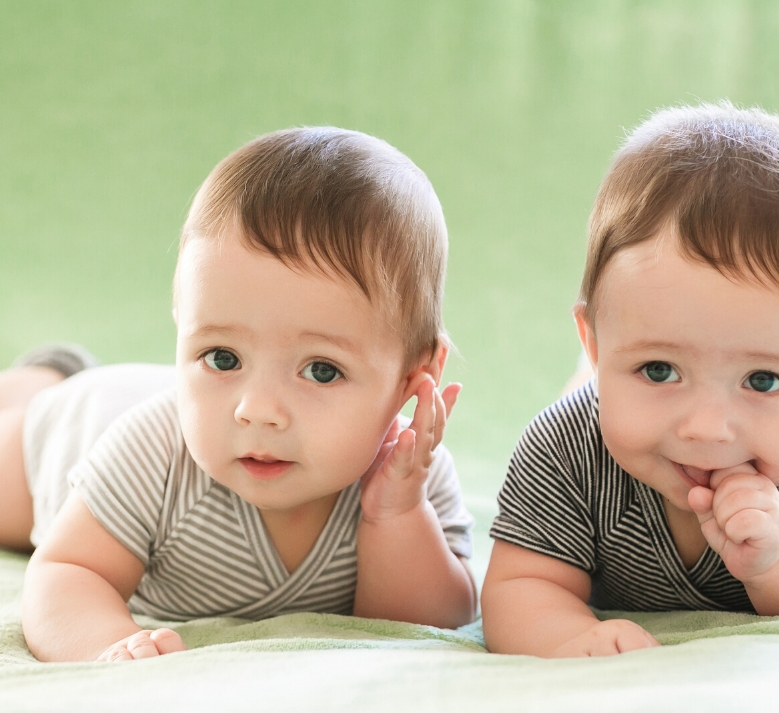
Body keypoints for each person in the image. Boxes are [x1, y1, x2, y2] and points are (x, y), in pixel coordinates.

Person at [3, 127, 477, 662]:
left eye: (321, 371)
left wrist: (395, 515)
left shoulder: (408, 473)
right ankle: (42, 379)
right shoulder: (152, 455)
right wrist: (109, 645)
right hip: (73, 428)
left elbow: (433, 623)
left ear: (413, 380)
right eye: (222, 357)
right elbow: (67, 570)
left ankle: (53, 371)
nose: (258, 410)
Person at [481, 103, 779, 658]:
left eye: (762, 379)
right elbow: (521, 586)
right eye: (659, 370)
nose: (708, 430)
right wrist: (570, 635)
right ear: (594, 344)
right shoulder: (566, 448)